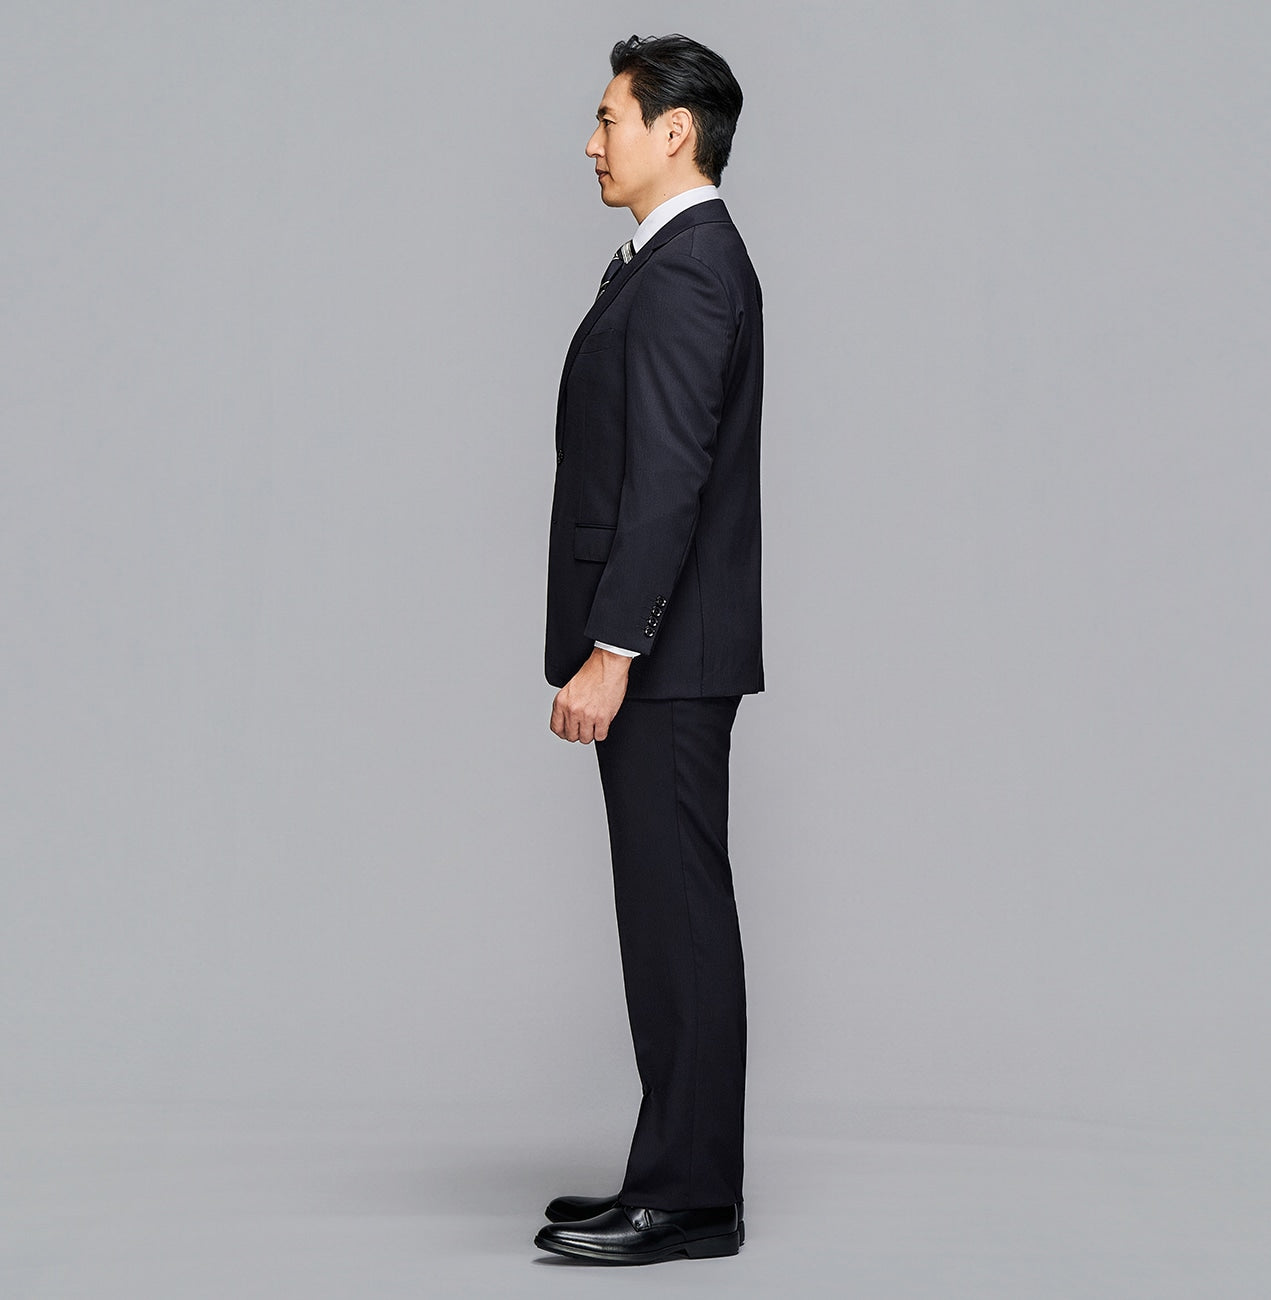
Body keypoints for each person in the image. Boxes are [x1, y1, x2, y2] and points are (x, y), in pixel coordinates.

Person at [535, 33, 764, 1266]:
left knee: (677, 918)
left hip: (664, 654)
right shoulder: (670, 262)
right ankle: (671, 1174)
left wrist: (612, 651)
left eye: (610, 118)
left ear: (673, 131)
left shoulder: (686, 272)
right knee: (667, 917)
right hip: (670, 647)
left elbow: (669, 482)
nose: (591, 142)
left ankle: (687, 1196)